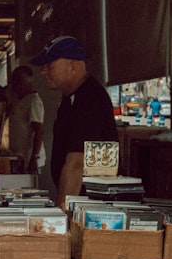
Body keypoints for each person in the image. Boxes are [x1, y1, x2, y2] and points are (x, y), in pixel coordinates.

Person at [30, 35, 118, 210]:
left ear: (74, 67)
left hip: (91, 205)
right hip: (81, 202)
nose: (43, 71)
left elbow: (77, 163)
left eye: (50, 65)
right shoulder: (70, 98)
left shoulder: (89, 99)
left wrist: (61, 214)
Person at [6, 65, 45, 175]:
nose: (15, 86)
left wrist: (34, 157)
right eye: (13, 83)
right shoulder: (18, 99)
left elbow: (39, 131)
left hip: (29, 158)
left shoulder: (33, 101)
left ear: (28, 83)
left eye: (18, 83)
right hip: (19, 157)